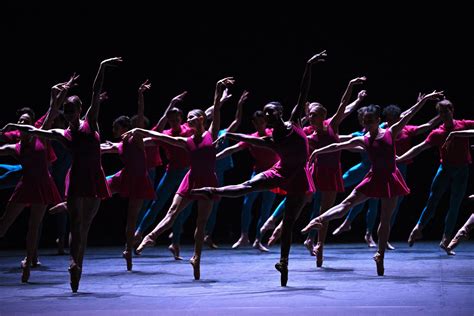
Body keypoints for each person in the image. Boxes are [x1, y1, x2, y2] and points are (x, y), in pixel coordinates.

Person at [191, 51, 326, 286]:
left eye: (270, 112)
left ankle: (283, 261)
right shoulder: (271, 139)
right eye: (264, 113)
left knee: (289, 221)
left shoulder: (293, 121)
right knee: (247, 186)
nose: (266, 115)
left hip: (299, 177)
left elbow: (303, 91)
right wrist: (228, 135)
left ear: (280, 112)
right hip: (280, 170)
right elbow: (250, 139)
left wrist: (308, 66)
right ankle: (213, 191)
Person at [301, 90, 444, 276]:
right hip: (373, 177)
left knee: (385, 220)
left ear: (378, 119)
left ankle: (380, 254)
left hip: (391, 179)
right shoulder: (363, 138)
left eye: (370, 120)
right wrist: (317, 152)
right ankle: (318, 220)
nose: (367, 124)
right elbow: (338, 145)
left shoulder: (391, 132)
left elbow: (408, 115)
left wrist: (423, 100)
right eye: (365, 122)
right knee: (346, 204)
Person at [8, 57, 122, 292]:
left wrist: (100, 68)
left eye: (71, 110)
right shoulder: (70, 129)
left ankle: (76, 265)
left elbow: (95, 91)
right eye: (67, 112)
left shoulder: (88, 121)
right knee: (79, 225)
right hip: (81, 177)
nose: (69, 114)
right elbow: (38, 130)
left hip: (92, 177)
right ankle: (75, 264)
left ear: (79, 109)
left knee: (81, 226)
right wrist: (16, 127)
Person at [129, 77, 234, 280]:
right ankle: (150, 236)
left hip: (208, 182)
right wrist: (140, 130)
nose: (188, 120)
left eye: (191, 118)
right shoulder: (185, 140)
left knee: (201, 222)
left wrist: (217, 88)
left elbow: (216, 112)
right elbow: (163, 138)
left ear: (202, 119)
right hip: (191, 178)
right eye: (187, 118)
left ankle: (196, 257)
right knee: (171, 213)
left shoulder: (211, 134)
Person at [333, 102, 441, 249]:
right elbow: (347, 141)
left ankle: (377, 236)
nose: (389, 121)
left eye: (392, 119)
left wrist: (433, 111)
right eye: (387, 118)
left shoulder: (403, 130)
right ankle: (348, 222)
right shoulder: (380, 129)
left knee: (383, 205)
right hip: (374, 167)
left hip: (395, 169)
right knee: (356, 196)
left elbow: (413, 118)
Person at [0, 79, 72, 282]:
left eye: (26, 121)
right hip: (25, 185)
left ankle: (28, 262)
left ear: (32, 124)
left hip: (42, 185)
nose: (23, 123)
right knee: (4, 224)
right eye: (20, 121)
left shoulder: (41, 136)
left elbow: (53, 111)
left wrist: (56, 93)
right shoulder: (14, 147)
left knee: (34, 226)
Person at [397, 99, 474, 255]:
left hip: (462, 170)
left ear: (452, 111)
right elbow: (419, 148)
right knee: (432, 201)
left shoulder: (463, 125)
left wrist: (456, 134)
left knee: (454, 205)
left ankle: (446, 240)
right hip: (445, 169)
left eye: (446, 111)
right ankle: (418, 227)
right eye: (441, 112)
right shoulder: (437, 133)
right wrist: (400, 158)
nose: (444, 115)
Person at [216, 109, 280, 252]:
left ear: (266, 122)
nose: (260, 125)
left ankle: (258, 239)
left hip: (274, 175)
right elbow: (232, 149)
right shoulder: (251, 138)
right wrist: (214, 157)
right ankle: (244, 236)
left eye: (263, 122)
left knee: (266, 208)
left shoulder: (273, 134)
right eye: (258, 123)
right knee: (247, 204)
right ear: (254, 123)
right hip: (257, 174)